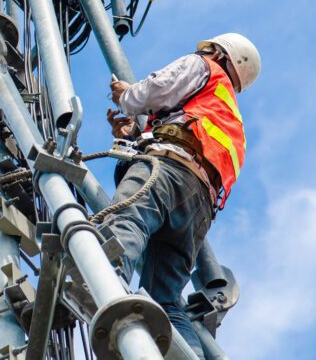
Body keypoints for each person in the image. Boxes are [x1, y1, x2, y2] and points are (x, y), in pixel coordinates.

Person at [98, 33, 261, 358]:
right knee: (166, 299)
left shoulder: (205, 68)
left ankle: (101, 284)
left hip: (168, 171)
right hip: (198, 207)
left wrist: (127, 96)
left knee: (125, 222)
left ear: (220, 52)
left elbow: (158, 87)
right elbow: (189, 131)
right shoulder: (230, 116)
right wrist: (134, 133)